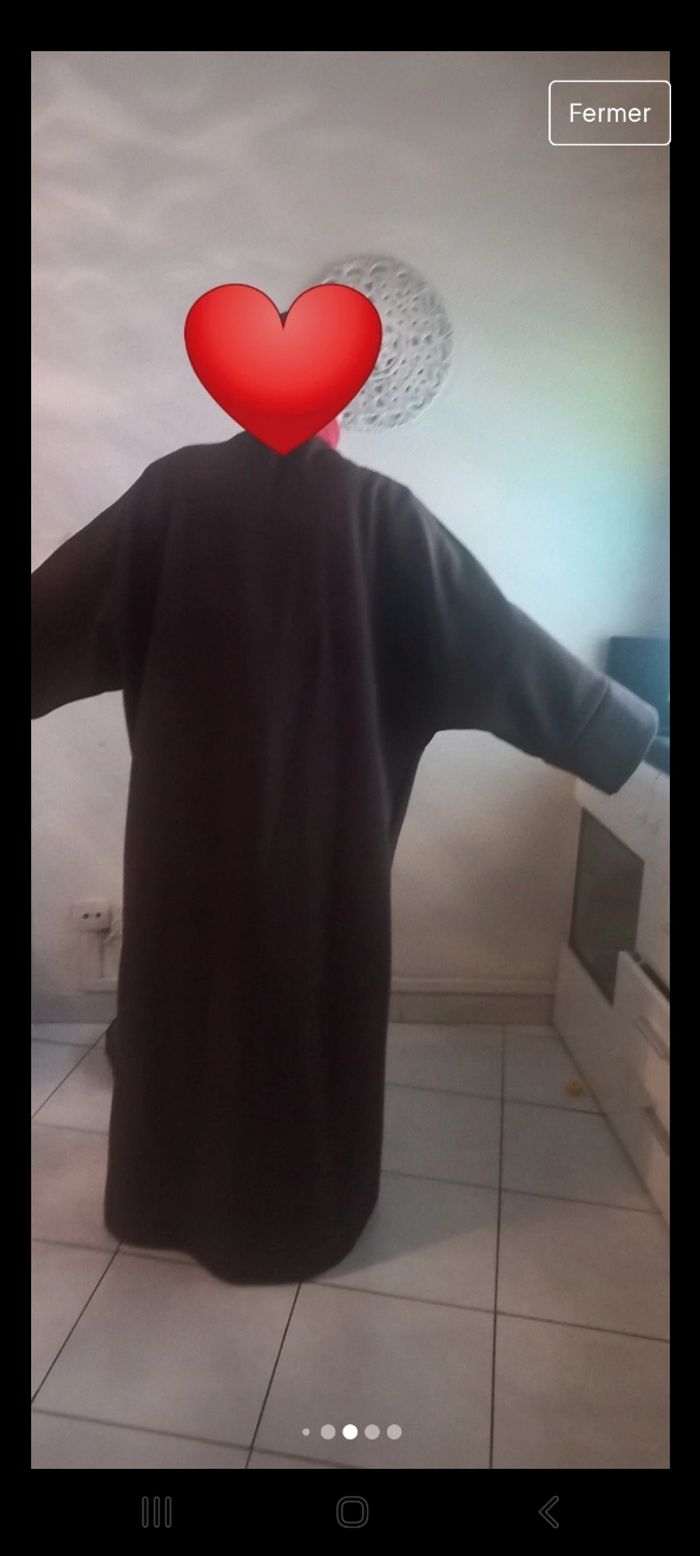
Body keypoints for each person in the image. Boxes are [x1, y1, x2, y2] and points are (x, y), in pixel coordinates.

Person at [31, 419, 659, 1283]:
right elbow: (500, 648)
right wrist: (617, 731)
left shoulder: (172, 497)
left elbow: (51, 618)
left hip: (185, 850)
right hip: (327, 858)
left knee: (181, 1007)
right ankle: (294, 1222)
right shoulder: (379, 515)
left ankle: (160, 1202)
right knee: (305, 1014)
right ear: (335, 419)